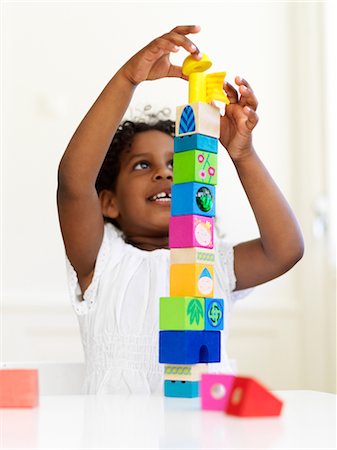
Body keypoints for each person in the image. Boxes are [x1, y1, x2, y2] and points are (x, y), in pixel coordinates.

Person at [57, 25, 304, 394]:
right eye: (143, 165)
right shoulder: (101, 263)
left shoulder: (213, 266)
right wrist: (128, 79)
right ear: (108, 202)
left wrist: (242, 154)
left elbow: (286, 250)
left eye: (176, 164)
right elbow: (73, 183)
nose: (164, 173)